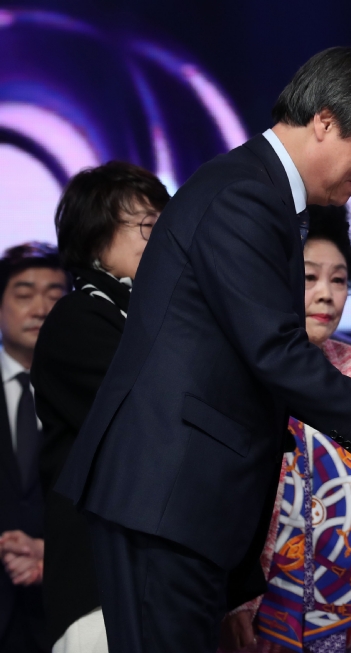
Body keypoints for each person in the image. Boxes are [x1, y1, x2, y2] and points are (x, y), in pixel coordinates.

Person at [54, 47, 351, 653]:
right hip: (165, 499)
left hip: (180, 507)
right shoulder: (246, 194)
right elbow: (274, 351)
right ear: (327, 121)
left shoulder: (254, 191)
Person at [219, 205, 351, 653]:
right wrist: (233, 603)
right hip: (260, 602)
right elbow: (223, 498)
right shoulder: (245, 366)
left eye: (338, 279)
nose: (326, 295)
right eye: (309, 278)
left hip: (335, 607)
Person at [30, 161, 170, 653]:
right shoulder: (79, 319)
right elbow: (151, 417)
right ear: (94, 240)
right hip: (100, 584)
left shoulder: (150, 316)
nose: (164, 239)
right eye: (148, 227)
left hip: (153, 581)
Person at [0, 242, 68, 653]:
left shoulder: (89, 392)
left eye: (55, 295)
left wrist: (54, 555)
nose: (40, 308)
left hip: (62, 607)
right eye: (24, 294)